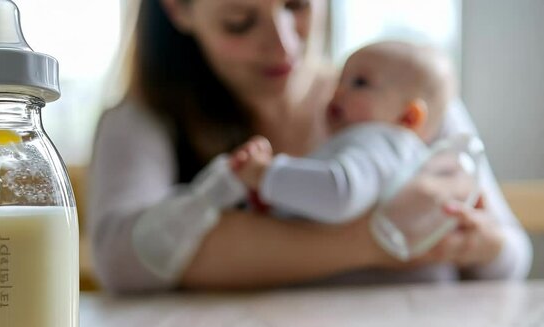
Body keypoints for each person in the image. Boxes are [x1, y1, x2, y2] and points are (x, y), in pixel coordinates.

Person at [90, 0, 532, 293]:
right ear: (180, 10)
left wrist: (477, 245)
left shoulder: (402, 92)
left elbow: (510, 258)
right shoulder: (143, 120)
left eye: (297, 4)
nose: (284, 43)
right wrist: (378, 240)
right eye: (240, 22)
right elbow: (122, 259)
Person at [228, 41, 458, 225]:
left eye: (359, 83)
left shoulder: (382, 141)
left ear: (408, 117)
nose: (338, 92)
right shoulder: (378, 151)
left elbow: (339, 195)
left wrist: (265, 174)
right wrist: (269, 201)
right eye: (340, 81)